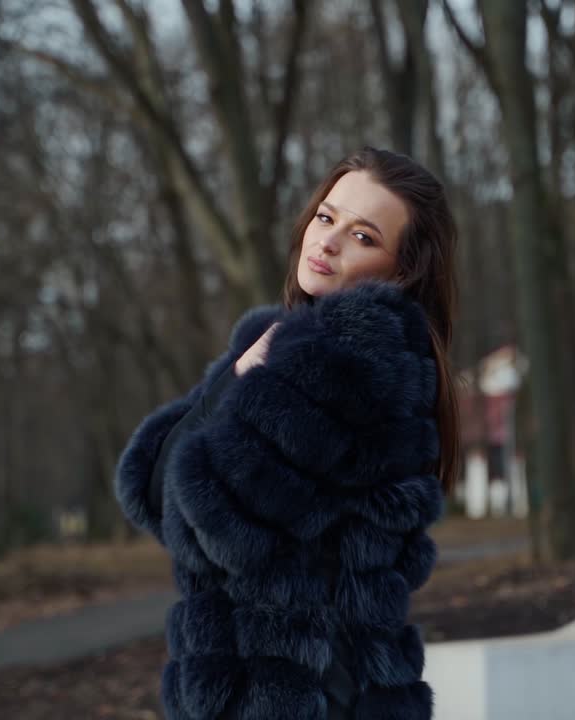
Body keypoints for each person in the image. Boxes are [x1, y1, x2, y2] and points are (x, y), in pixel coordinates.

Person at [115, 146, 459, 720]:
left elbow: (202, 515)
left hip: (309, 693)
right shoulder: (296, 347)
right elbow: (155, 485)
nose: (327, 241)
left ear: (402, 272)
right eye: (327, 218)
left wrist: (240, 374)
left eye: (363, 236)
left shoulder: (348, 364)